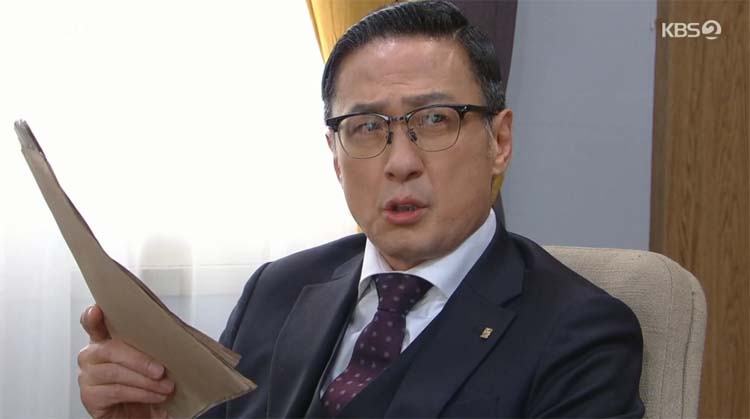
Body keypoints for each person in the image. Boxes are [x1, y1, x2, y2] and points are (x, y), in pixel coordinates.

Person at [77, 1, 644, 417]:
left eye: (435, 120)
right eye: (367, 127)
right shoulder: (277, 289)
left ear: (499, 141)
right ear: (335, 156)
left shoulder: (580, 332)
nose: (400, 162)